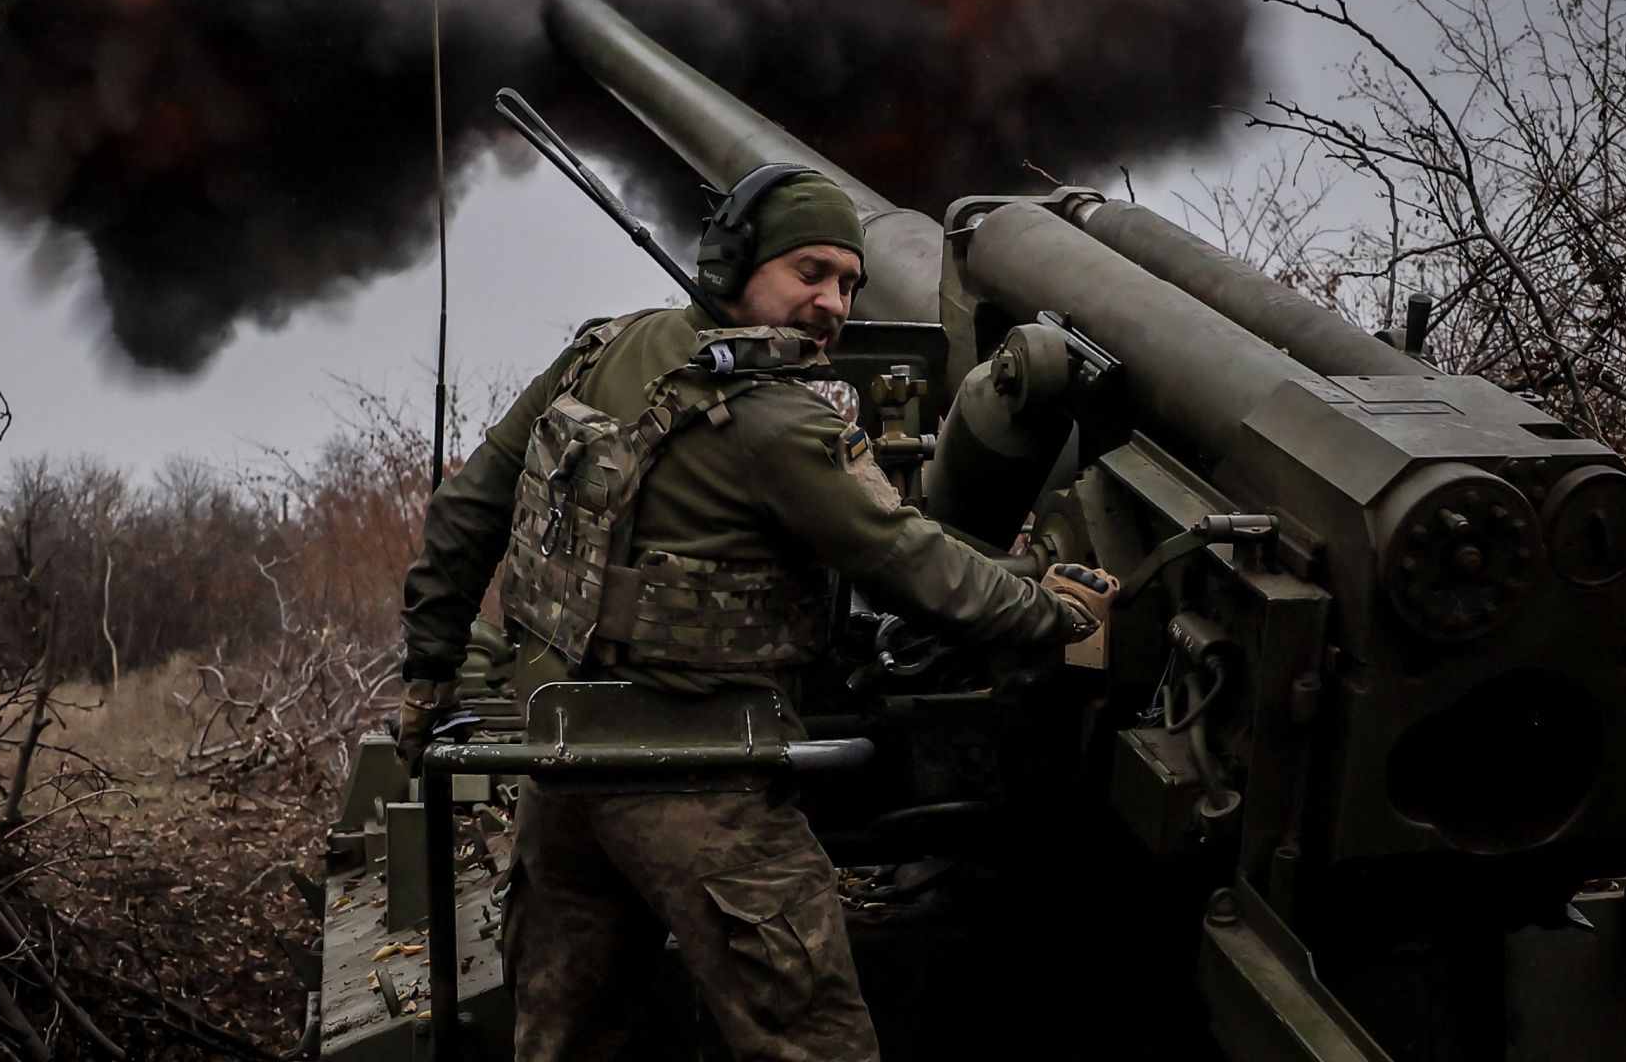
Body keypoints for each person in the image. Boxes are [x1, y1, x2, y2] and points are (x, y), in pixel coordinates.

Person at [396, 166, 1115, 1062]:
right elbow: (911, 565)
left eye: (848, 283)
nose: (833, 303)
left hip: (562, 770)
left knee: (565, 1042)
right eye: (810, 273)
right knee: (815, 1044)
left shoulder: (599, 351)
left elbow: (468, 509)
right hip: (703, 788)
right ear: (733, 264)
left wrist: (428, 670)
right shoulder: (779, 419)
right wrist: (1050, 612)